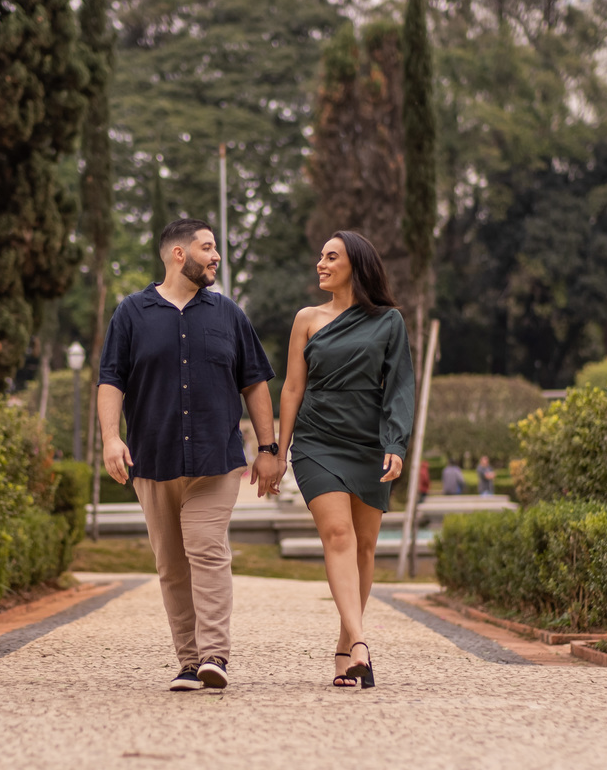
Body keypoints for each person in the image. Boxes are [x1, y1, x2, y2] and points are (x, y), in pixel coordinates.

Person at [98, 218, 281, 692]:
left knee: (206, 549)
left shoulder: (229, 314)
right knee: (171, 565)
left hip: (214, 460)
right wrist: (110, 438)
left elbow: (255, 382)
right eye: (207, 247)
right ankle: (188, 660)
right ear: (178, 254)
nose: (215, 255)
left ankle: (214, 654)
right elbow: (111, 380)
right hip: (153, 459)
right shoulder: (131, 314)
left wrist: (268, 448)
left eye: (216, 247)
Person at [277, 230, 415, 689]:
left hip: (369, 442)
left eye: (330, 256)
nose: (320, 263)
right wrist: (278, 450)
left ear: (355, 264)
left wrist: (395, 443)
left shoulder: (389, 321)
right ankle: (360, 643)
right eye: (320, 256)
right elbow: (293, 387)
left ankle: (343, 649)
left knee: (366, 546)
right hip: (317, 440)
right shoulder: (307, 319)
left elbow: (398, 387)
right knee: (338, 534)